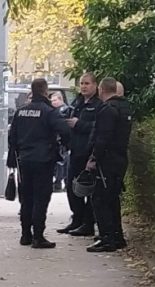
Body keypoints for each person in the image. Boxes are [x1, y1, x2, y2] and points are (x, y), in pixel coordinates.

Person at [7, 78, 71, 249]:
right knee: (41, 198)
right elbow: (64, 130)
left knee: (26, 198)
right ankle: (38, 236)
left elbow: (12, 137)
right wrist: (64, 145)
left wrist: (15, 155)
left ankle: (25, 235)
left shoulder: (21, 112)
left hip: (24, 160)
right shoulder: (49, 111)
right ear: (45, 91)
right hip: (43, 160)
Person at [86, 77, 133, 252]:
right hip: (120, 159)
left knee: (100, 199)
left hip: (107, 161)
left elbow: (103, 137)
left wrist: (93, 159)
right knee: (112, 198)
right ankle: (117, 236)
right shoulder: (125, 108)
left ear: (101, 89)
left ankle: (107, 238)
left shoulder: (107, 109)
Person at [59, 72, 101, 236]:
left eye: (87, 83)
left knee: (88, 188)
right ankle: (77, 218)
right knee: (71, 187)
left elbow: (98, 127)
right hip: (75, 151)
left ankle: (87, 223)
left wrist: (79, 124)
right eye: (82, 83)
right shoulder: (77, 103)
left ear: (95, 86)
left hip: (88, 152)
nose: (83, 86)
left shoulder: (98, 105)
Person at [50, 92, 72, 191]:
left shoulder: (65, 110)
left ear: (60, 99)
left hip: (63, 142)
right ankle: (60, 183)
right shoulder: (54, 111)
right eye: (52, 101)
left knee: (62, 163)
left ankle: (61, 183)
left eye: (55, 100)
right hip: (59, 141)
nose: (53, 102)